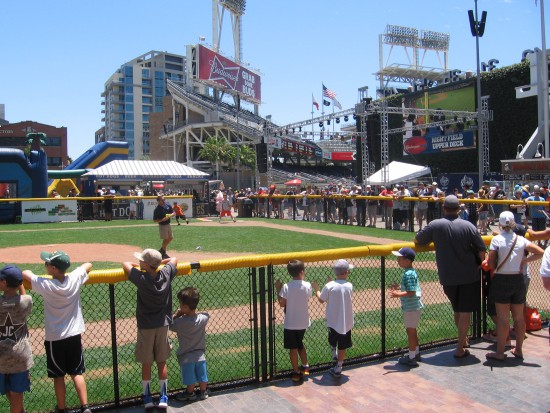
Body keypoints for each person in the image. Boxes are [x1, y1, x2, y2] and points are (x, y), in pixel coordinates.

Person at [414, 195, 486, 358]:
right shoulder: (468, 225)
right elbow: (482, 249)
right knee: (464, 311)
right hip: (469, 275)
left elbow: (418, 240)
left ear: (444, 208)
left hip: (448, 276)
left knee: (457, 309)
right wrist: (482, 264)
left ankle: (463, 341)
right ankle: (461, 346)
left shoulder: (436, 224)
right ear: (459, 209)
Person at [22, 251, 92, 413]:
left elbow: (25, 273)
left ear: (53, 268)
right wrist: (77, 269)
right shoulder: (74, 278)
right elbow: (88, 265)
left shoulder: (46, 285)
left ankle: (61, 408)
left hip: (55, 338)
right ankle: (85, 407)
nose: (44, 265)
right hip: (74, 335)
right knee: (77, 372)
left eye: (47, 264)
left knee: (58, 375)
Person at [122, 249, 178, 409]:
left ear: (146, 265)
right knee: (162, 361)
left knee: (146, 362)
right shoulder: (166, 274)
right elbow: (174, 259)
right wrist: (158, 264)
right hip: (163, 325)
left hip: (146, 325)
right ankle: (163, 396)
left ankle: (147, 397)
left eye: (141, 260)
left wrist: (139, 266)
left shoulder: (141, 278)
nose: (139, 262)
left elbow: (125, 265)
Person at [485, 211, 544, 361]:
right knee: (519, 317)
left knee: (503, 318)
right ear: (512, 223)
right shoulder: (521, 239)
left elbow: (491, 263)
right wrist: (524, 261)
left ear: (500, 224)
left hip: (501, 279)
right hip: (517, 279)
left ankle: (499, 353)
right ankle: (518, 349)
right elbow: (540, 252)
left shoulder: (496, 240)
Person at [312, 259, 354, 377]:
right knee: (343, 345)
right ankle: (339, 367)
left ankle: (333, 354)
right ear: (345, 272)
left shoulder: (329, 286)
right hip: (346, 322)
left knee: (332, 339)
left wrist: (316, 289)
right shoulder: (349, 285)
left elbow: (321, 299)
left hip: (333, 321)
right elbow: (339, 289)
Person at [0, 265, 33, 413]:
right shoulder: (26, 301)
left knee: (8, 389)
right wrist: (20, 284)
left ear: (5, 283)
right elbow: (23, 296)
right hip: (20, 357)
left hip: (1, 357)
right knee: (16, 393)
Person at [274, 260, 312, 382]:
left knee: (293, 348)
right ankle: (305, 366)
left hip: (291, 323)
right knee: (300, 342)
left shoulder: (286, 286)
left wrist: (278, 289)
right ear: (302, 272)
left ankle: (296, 372)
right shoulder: (307, 285)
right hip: (303, 322)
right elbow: (307, 296)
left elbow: (281, 303)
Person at [170, 287, 210, 402]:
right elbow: (206, 314)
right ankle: (203, 392)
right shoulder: (202, 319)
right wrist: (192, 312)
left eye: (181, 304)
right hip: (200, 355)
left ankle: (190, 393)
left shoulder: (180, 322)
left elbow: (170, 324)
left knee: (190, 379)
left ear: (185, 307)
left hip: (187, 356)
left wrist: (177, 314)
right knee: (202, 376)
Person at [389, 247, 423, 367]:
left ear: (407, 260)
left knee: (411, 332)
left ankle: (411, 357)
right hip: (413, 307)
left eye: (400, 258)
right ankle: (416, 353)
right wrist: (399, 289)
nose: (398, 260)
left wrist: (398, 294)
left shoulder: (408, 274)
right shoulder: (410, 272)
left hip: (411, 307)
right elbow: (410, 289)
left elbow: (411, 292)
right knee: (412, 330)